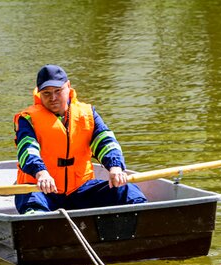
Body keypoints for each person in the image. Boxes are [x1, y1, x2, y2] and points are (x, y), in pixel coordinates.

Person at [13, 65, 147, 214]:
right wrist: (41, 173)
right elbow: (27, 150)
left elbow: (105, 141)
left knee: (127, 190)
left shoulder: (87, 114)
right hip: (41, 189)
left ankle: (143, 224)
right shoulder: (28, 118)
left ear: (68, 86)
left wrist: (115, 167)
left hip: (80, 189)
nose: (53, 98)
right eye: (46, 93)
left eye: (58, 91)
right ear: (39, 93)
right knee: (33, 204)